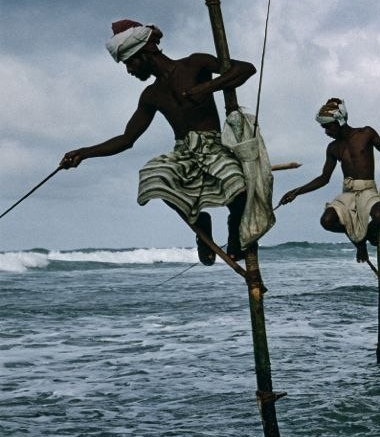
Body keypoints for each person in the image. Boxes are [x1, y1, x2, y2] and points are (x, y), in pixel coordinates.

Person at [60, 20, 257, 265]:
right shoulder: (151, 95)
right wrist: (84, 153)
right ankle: (200, 224)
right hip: (183, 153)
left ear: (146, 52)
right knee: (152, 176)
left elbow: (246, 69)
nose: (130, 70)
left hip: (214, 146)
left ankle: (236, 236)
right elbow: (126, 139)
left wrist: (208, 87)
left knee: (237, 185)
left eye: (130, 62)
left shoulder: (194, 64)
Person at [279, 98, 380, 263]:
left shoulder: (366, 134)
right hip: (348, 192)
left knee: (379, 217)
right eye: (324, 128)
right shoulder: (333, 148)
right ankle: (360, 242)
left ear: (340, 121)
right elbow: (324, 178)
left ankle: (364, 239)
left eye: (328, 127)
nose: (326, 132)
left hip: (367, 190)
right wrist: (296, 192)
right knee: (326, 221)